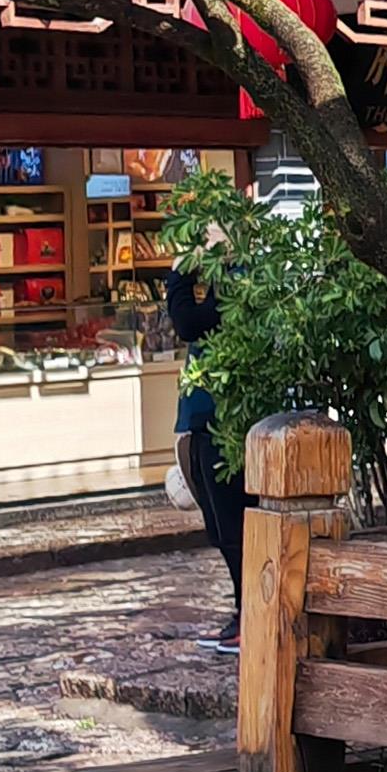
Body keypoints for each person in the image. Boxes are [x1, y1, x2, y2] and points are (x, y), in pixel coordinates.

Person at [164, 263, 245, 650]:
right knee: (219, 527)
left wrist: (179, 274)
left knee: (233, 526)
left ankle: (250, 616)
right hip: (206, 418)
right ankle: (243, 613)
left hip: (225, 419)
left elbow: (188, 322)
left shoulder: (242, 277)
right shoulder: (225, 275)